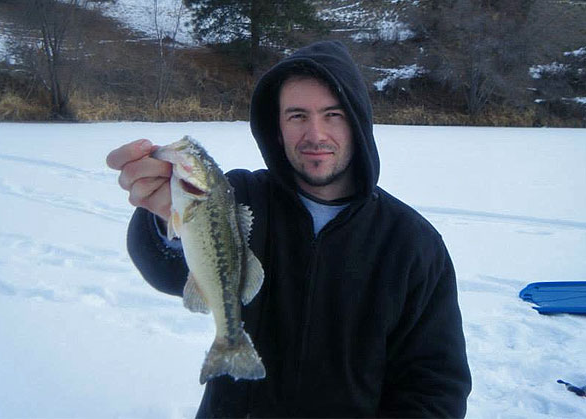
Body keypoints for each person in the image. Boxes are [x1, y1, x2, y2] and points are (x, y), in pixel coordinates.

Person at [107, 40, 472, 417]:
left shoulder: (412, 243)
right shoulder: (238, 196)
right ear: (277, 128)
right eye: (297, 116)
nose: (316, 134)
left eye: (333, 115)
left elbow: (434, 386)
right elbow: (165, 268)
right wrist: (164, 216)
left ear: (358, 122)